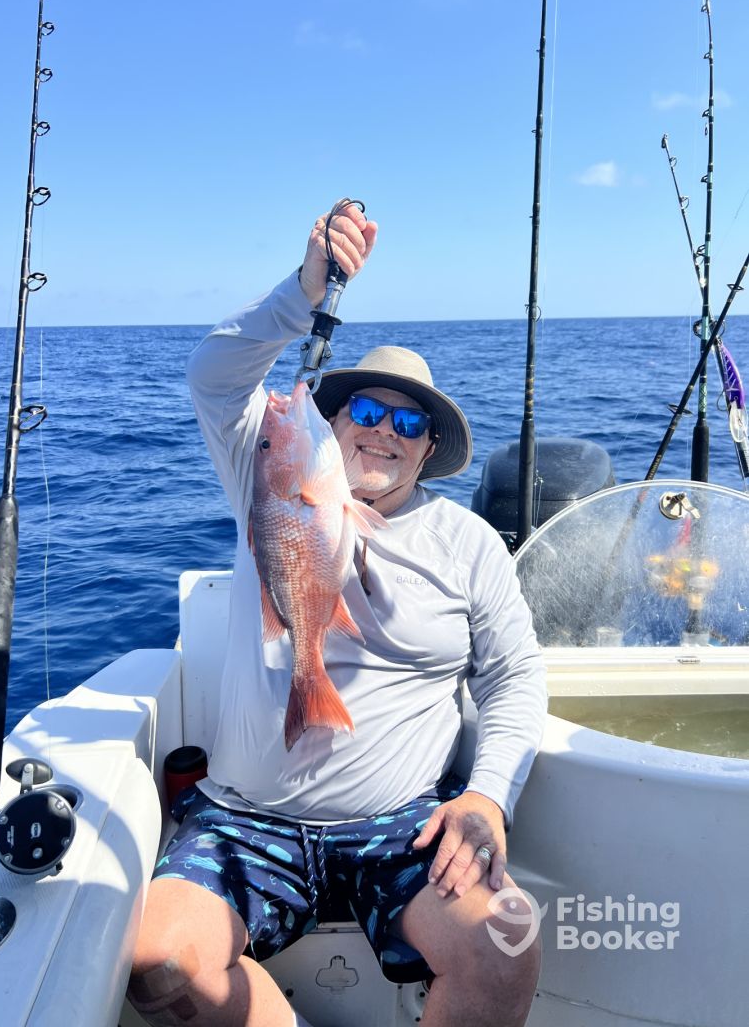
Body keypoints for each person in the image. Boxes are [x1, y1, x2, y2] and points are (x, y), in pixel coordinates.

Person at [129, 203, 547, 1027]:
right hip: (243, 820)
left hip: (404, 824)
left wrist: (488, 798)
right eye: (367, 411)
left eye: (410, 422)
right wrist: (302, 293)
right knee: (157, 965)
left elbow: (515, 675)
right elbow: (214, 375)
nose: (385, 432)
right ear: (332, 418)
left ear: (430, 448)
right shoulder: (268, 473)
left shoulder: (466, 541)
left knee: (506, 946)